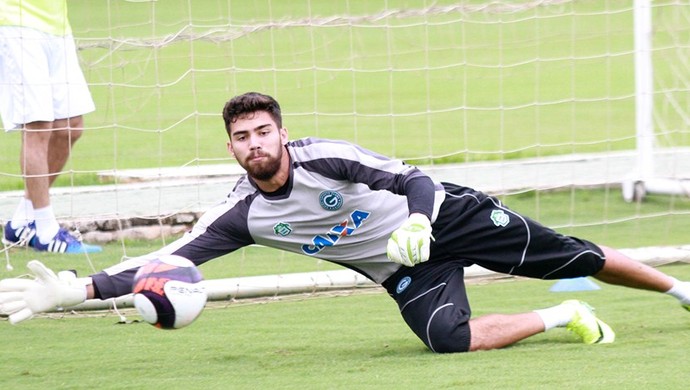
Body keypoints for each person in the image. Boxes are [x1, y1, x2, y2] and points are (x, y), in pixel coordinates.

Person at [1, 92, 689, 353]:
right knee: (447, 342)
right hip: (399, 267)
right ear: (232, 147)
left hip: (447, 217)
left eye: (264, 131)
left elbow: (414, 176)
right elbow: (168, 261)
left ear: (282, 133)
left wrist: (419, 221)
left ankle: (676, 289)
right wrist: (77, 291)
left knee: (576, 252)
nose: (255, 143)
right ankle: (564, 316)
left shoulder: (325, 157)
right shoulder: (241, 214)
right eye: (242, 136)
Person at [0, 0, 101, 253]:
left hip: (57, 26)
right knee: (38, 127)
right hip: (16, 23)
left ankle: (22, 222)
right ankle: (46, 233)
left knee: (71, 127)